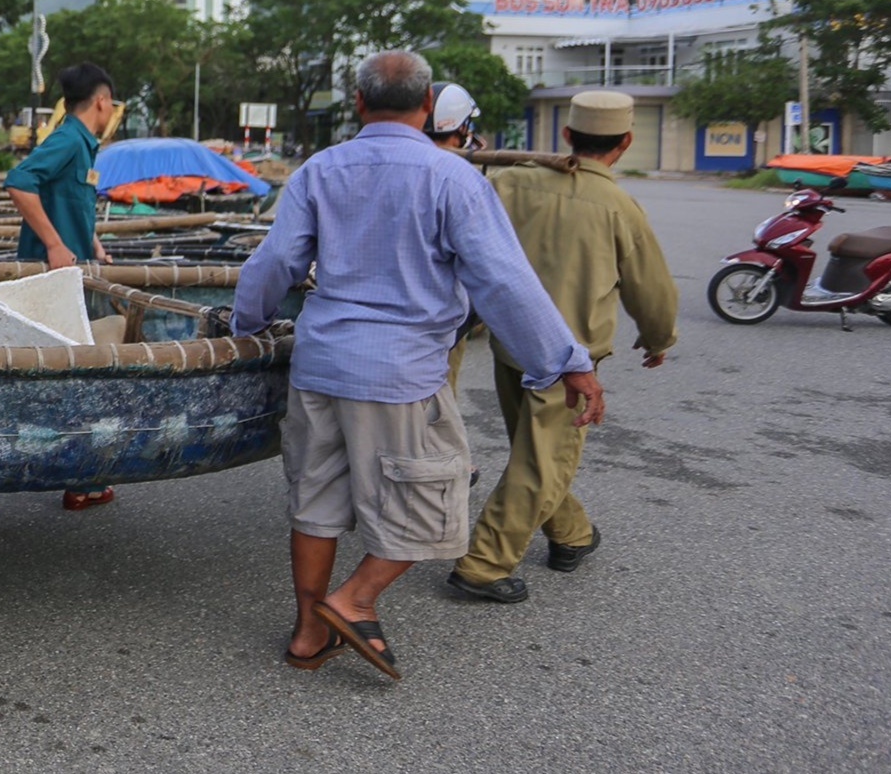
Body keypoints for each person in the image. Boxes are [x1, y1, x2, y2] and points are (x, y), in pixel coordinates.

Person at [231, 50, 604, 681]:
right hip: (400, 376)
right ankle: (354, 599)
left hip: (320, 367)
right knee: (436, 500)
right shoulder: (454, 177)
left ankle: (307, 635)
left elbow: (275, 264)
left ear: (358, 103)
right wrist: (566, 362)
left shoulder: (320, 170)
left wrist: (245, 323)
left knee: (316, 504)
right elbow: (503, 282)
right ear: (430, 105)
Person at [447, 90, 678, 603]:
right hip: (570, 359)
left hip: (511, 342)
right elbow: (652, 288)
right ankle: (484, 565)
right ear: (625, 144)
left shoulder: (510, 181)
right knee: (545, 459)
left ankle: (570, 533)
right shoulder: (620, 206)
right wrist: (658, 339)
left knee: (538, 453)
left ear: (568, 135)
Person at [3, 62, 117, 511]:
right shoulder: (70, 140)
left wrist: (94, 243)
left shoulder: (83, 146)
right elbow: (19, 182)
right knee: (73, 373)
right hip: (53, 281)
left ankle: (80, 476)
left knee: (74, 369)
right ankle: (77, 477)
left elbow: (73, 200)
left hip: (73, 273)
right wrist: (53, 244)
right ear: (102, 102)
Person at [423, 81, 486, 484]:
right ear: (459, 126)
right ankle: (442, 459)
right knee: (439, 385)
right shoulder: (464, 173)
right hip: (444, 310)